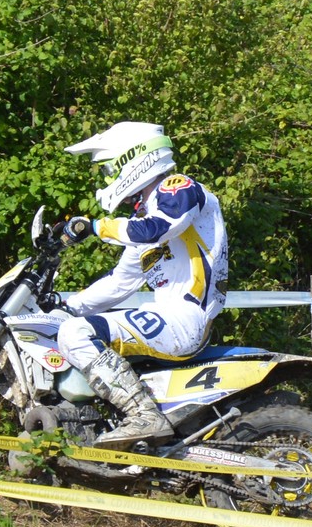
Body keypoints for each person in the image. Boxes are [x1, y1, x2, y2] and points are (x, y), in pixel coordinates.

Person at [56, 121, 228, 449]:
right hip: (170, 317)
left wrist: (95, 226)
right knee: (71, 323)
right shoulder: (146, 216)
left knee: (74, 334)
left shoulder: (178, 188)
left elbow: (155, 229)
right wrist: (66, 306)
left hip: (185, 319)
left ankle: (142, 415)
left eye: (108, 169)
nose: (106, 178)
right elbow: (120, 284)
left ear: (132, 159)